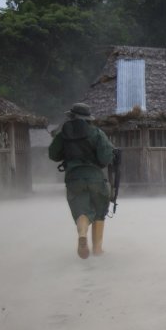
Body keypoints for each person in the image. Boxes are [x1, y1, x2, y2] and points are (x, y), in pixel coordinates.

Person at [49, 103, 115, 259]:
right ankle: (97, 250)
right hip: (95, 178)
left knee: (81, 212)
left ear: (71, 116)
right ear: (88, 118)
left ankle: (82, 234)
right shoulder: (97, 133)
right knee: (99, 212)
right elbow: (105, 158)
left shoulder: (62, 134)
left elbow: (53, 155)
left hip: (74, 178)